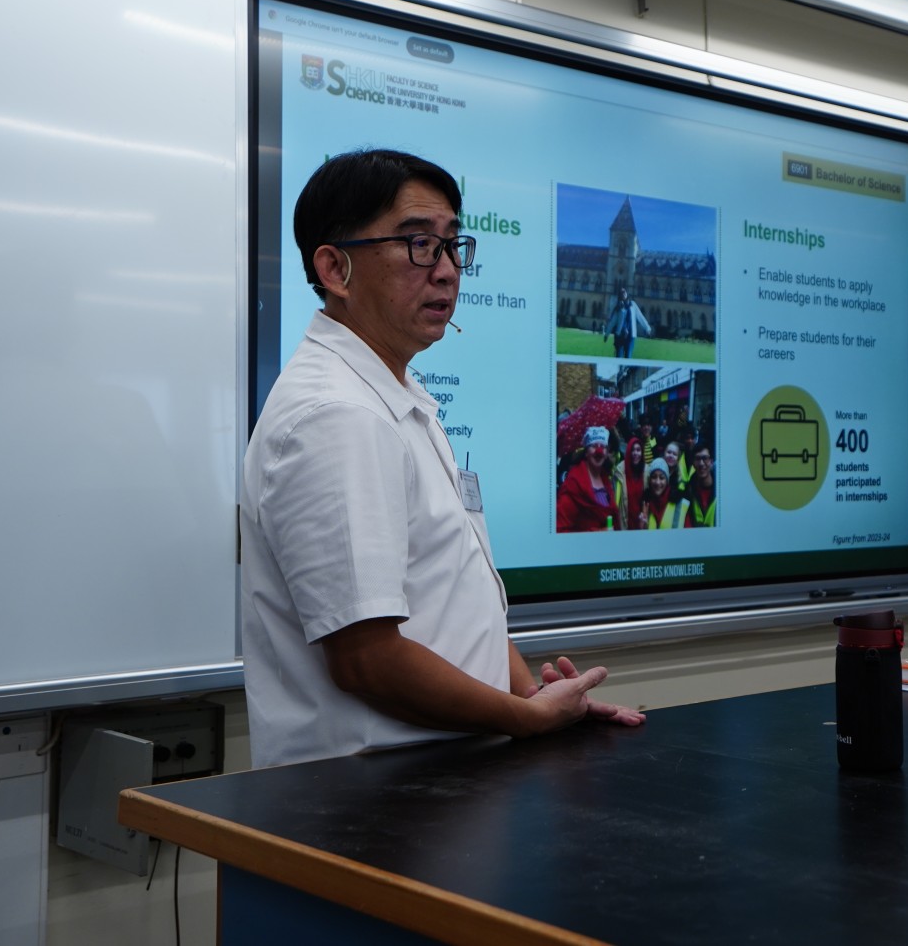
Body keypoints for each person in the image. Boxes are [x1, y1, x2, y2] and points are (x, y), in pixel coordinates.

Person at [240, 149, 643, 768]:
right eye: (419, 245)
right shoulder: (337, 415)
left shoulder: (394, 394)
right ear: (335, 268)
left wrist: (535, 698)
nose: (448, 270)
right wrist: (529, 719)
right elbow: (367, 659)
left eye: (453, 245)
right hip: (366, 793)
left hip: (444, 772)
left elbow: (453, 593)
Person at [556, 425, 622, 531]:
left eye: (603, 446)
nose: (599, 451)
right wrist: (597, 532)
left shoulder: (606, 479)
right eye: (594, 446)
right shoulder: (574, 482)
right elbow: (561, 527)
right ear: (586, 452)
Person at [603, 286, 650, 359]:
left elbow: (640, 316)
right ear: (619, 295)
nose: (623, 293)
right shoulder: (618, 307)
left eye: (624, 292)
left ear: (627, 293)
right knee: (619, 357)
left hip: (630, 335)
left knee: (628, 357)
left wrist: (647, 328)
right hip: (620, 335)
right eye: (621, 292)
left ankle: (625, 367)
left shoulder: (633, 305)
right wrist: (607, 334)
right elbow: (612, 322)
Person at [638, 458, 685, 529]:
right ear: (649, 480)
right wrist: (641, 528)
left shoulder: (680, 504)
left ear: (667, 481)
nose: (657, 482)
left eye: (662, 478)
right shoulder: (644, 504)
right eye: (654, 477)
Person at [685, 442, 717, 527]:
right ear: (693, 463)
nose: (701, 463)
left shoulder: (722, 489)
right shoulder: (688, 491)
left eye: (705, 458)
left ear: (711, 461)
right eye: (697, 459)